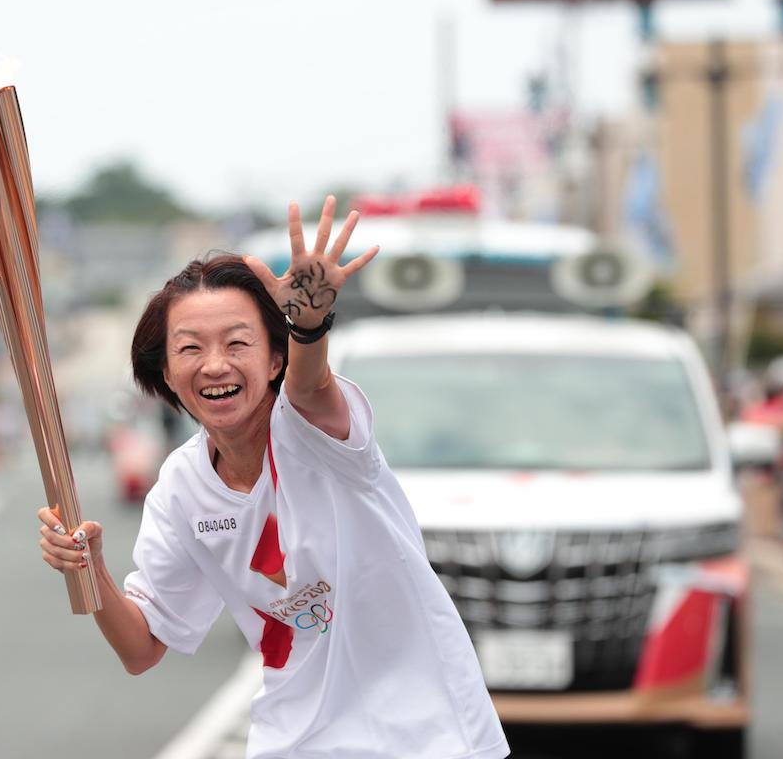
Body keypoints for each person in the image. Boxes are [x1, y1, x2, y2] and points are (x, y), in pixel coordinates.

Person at [38, 197, 509, 759]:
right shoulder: (181, 489)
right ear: (167, 373)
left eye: (237, 343)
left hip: (428, 738)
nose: (214, 365)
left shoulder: (314, 432)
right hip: (295, 742)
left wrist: (308, 323)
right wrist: (91, 575)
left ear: (275, 360)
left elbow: (312, 387)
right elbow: (141, 647)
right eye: (190, 348)